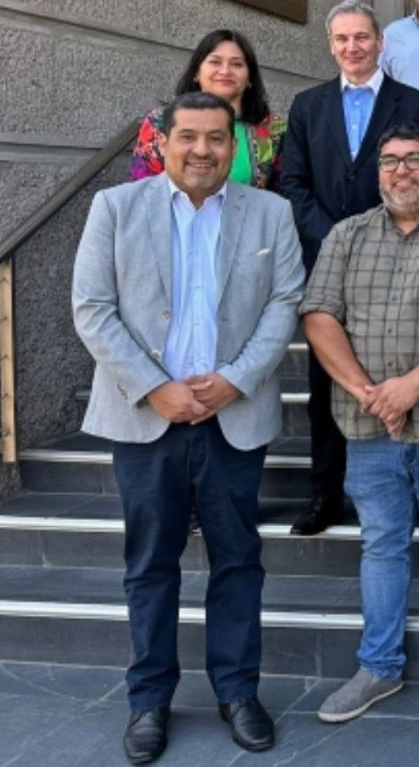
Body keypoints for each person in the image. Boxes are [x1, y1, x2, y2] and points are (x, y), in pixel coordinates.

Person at [73, 91, 305, 764]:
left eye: (216, 138)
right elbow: (92, 308)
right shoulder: (115, 208)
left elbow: (285, 302)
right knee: (150, 564)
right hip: (146, 417)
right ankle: (149, 700)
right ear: (163, 143)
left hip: (234, 416)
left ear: (234, 147)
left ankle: (238, 692)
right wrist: (155, 388)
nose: (203, 150)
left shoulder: (271, 212)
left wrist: (236, 379)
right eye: (189, 137)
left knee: (238, 561)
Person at [301, 124, 419, 729]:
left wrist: (410, 386)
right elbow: (319, 315)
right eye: (390, 161)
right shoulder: (347, 235)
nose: (401, 170)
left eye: (414, 159)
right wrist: (368, 391)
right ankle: (378, 666)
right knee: (381, 545)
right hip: (367, 427)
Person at [280, 0, 419, 537]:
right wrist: (335, 239)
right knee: (328, 379)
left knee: (400, 365)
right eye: (343, 38)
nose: (353, 47)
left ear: (380, 42)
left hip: (400, 258)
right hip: (327, 260)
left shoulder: (415, 103)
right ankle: (325, 493)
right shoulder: (307, 106)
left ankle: (408, 492)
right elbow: (294, 183)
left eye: (362, 37)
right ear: (331, 45)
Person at [131, 29, 286, 190]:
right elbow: (144, 189)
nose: (225, 71)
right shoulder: (160, 121)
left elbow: (281, 192)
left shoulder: (273, 128)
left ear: (249, 77)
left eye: (236, 64)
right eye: (215, 62)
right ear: (196, 72)